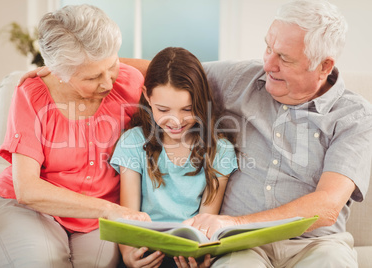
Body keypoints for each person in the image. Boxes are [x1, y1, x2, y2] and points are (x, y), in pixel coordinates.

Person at [124, 0, 372, 267]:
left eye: (284, 58)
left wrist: (235, 222)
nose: (268, 64)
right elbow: (170, 73)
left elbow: (326, 206)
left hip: (316, 244)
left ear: (324, 66)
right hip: (241, 245)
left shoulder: (354, 117)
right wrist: (94, 67)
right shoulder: (242, 78)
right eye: (268, 48)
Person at [0, 4, 150, 268]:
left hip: (96, 219)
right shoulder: (32, 94)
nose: (107, 82)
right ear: (59, 72)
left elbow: (180, 68)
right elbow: (27, 189)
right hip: (32, 209)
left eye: (112, 65)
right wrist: (112, 211)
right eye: (93, 76)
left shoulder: (126, 81)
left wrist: (102, 62)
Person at [110, 47, 238, 268]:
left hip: (188, 251)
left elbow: (206, 221)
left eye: (188, 109)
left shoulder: (220, 150)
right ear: (147, 96)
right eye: (163, 109)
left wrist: (201, 257)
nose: (176, 121)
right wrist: (128, 255)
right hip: (143, 247)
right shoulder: (132, 142)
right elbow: (128, 215)